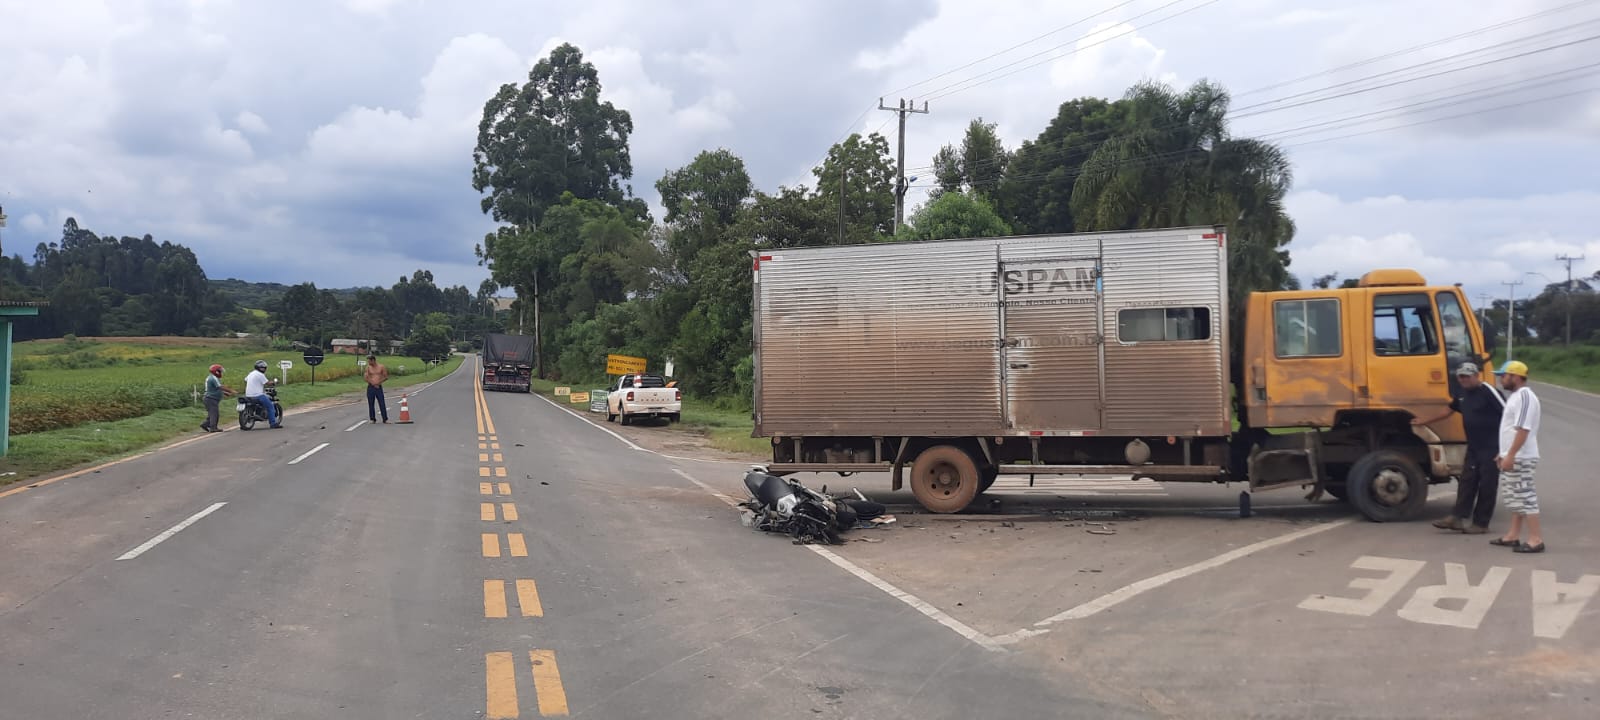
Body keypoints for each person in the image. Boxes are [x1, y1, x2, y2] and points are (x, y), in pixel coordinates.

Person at [1412, 362, 1503, 533]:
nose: (1464, 380)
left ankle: (1481, 524)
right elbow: (1449, 410)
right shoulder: (1461, 393)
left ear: (1477, 376)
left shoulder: (1488, 392)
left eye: (1468, 376)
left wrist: (1507, 447)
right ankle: (1457, 518)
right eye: (1461, 376)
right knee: (1467, 482)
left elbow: (1508, 414)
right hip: (1474, 447)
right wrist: (1425, 421)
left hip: (1492, 447)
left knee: (1487, 485)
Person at [1489, 361, 1544, 553]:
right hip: (1513, 454)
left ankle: (1536, 539)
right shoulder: (1515, 397)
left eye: (1503, 375)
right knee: (1515, 496)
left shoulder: (1525, 397)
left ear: (1516, 376)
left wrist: (1511, 455)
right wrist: (1503, 453)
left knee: (1526, 495)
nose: (1500, 379)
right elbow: (1510, 430)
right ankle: (1512, 535)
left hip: (1522, 456)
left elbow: (1523, 429)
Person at [244, 360, 282, 429]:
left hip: (248, 395)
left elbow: (246, 380)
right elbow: (267, 383)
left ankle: (251, 418)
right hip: (258, 395)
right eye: (262, 368)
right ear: (258, 368)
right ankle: (273, 423)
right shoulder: (260, 375)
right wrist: (274, 382)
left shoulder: (251, 373)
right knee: (270, 406)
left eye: (264, 368)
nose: (263, 369)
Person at [200, 364, 236, 433]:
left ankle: (205, 424)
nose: (221, 373)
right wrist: (231, 390)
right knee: (214, 414)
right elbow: (220, 387)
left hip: (210, 398)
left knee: (212, 413)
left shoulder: (211, 377)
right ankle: (213, 427)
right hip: (210, 399)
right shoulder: (213, 378)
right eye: (220, 371)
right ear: (216, 372)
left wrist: (224, 393)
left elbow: (215, 389)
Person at [364, 354, 390, 424]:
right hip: (371, 387)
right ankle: (372, 419)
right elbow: (366, 377)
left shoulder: (381, 367)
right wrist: (373, 383)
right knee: (371, 403)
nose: (368, 363)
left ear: (373, 360)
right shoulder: (368, 368)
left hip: (379, 387)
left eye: (369, 361)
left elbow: (386, 376)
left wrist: (378, 383)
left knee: (382, 403)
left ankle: (385, 419)